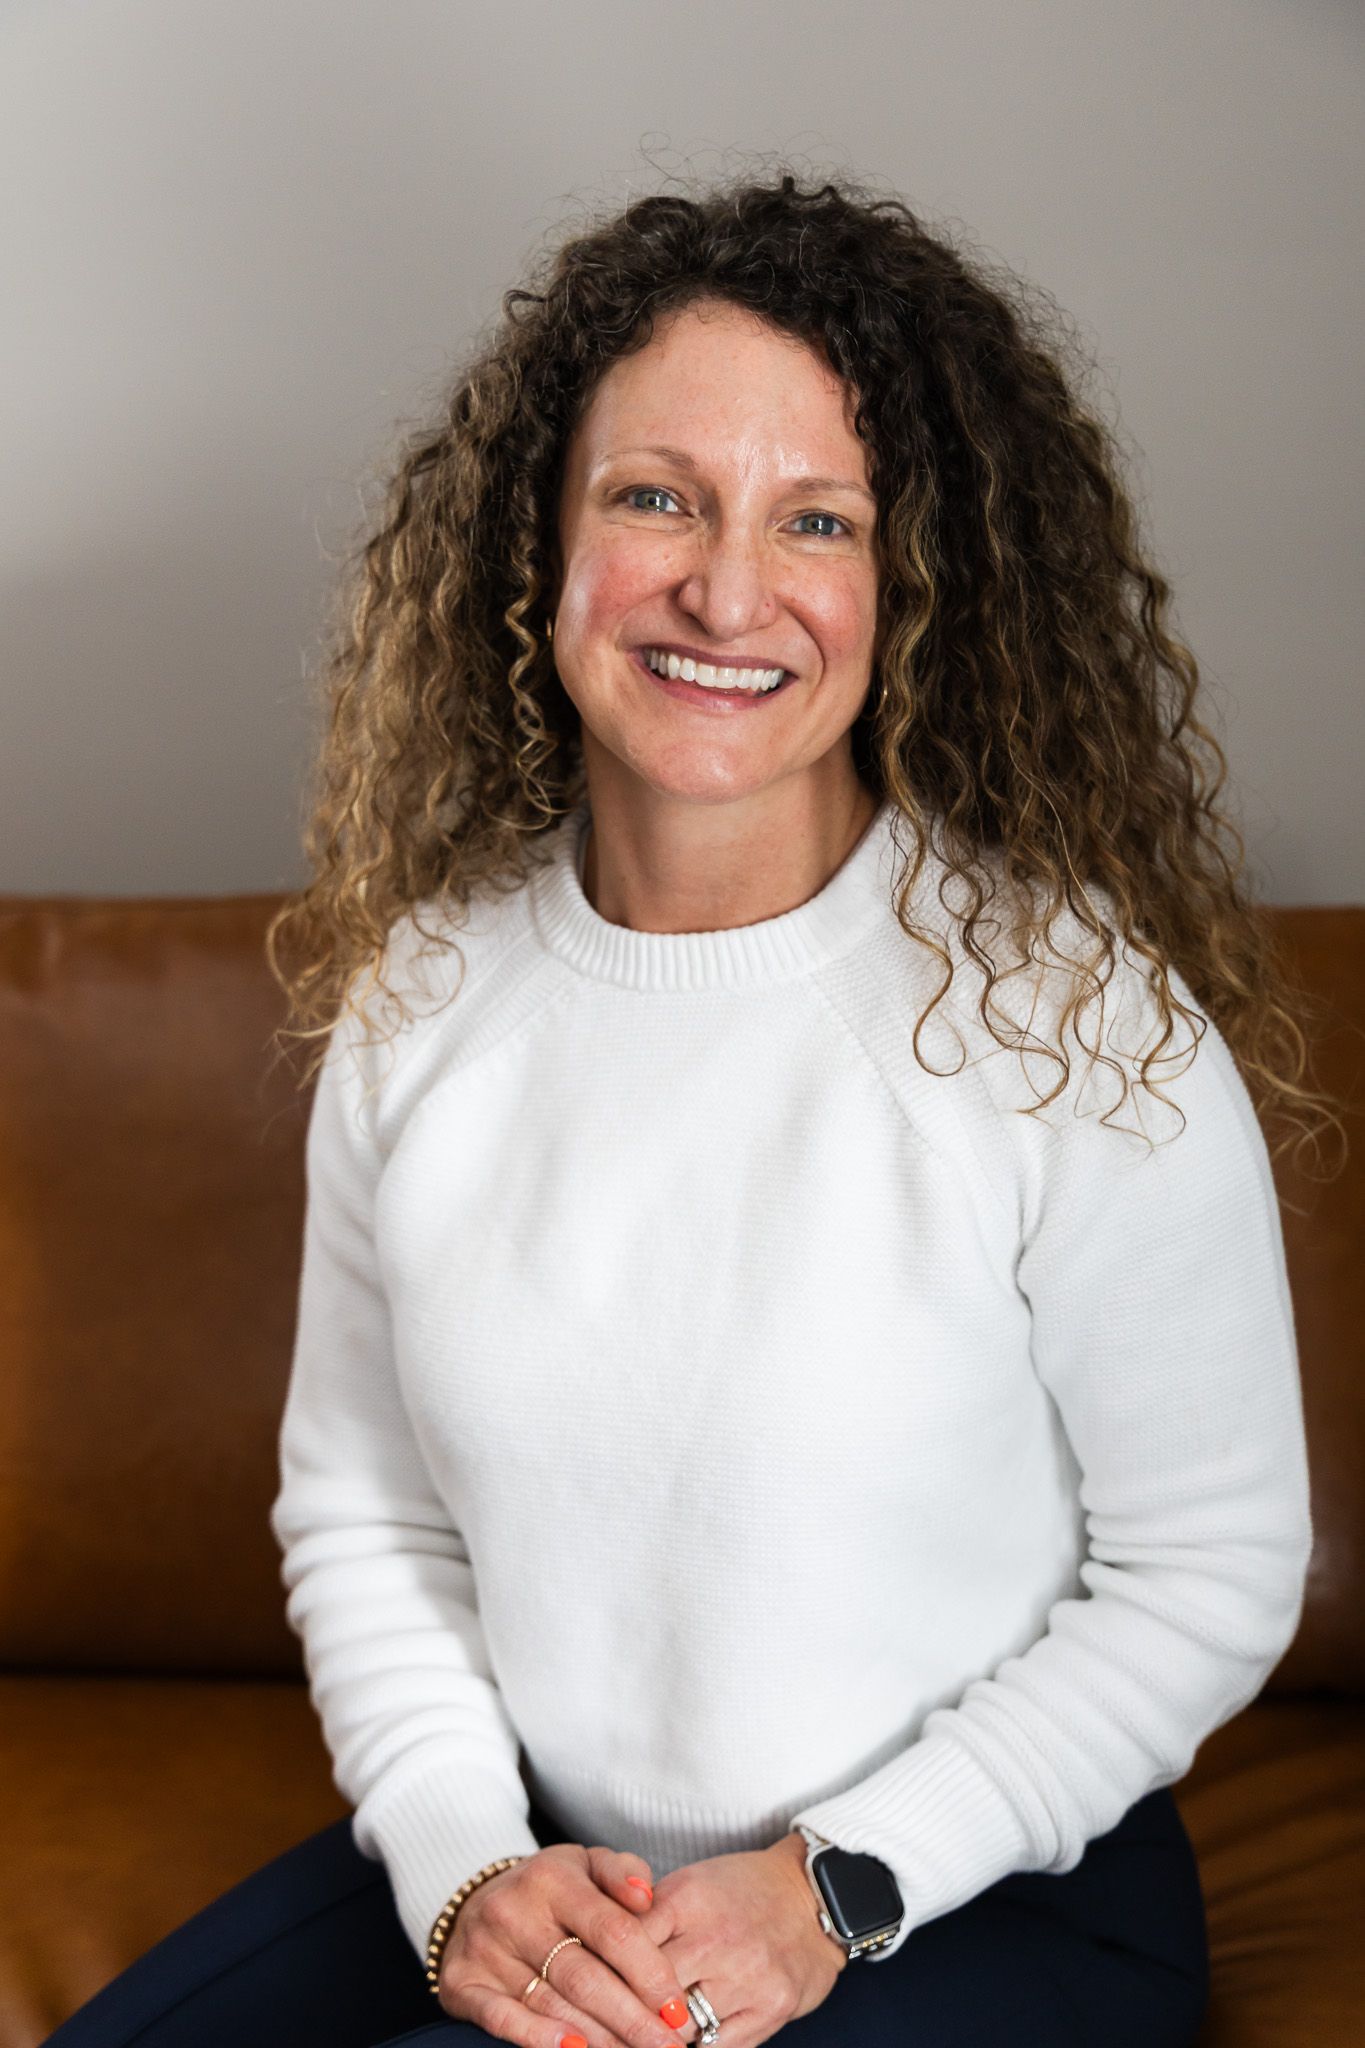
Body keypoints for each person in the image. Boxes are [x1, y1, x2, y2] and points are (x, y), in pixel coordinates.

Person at [45, 167, 1339, 2048]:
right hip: (549, 1870)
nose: (726, 591)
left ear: (910, 587)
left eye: (817, 520)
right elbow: (365, 1517)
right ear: (539, 541)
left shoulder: (1066, 1020)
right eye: (656, 496)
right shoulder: (421, 996)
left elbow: (1210, 1574)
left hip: (969, 1901)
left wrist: (834, 1886)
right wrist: (464, 1874)